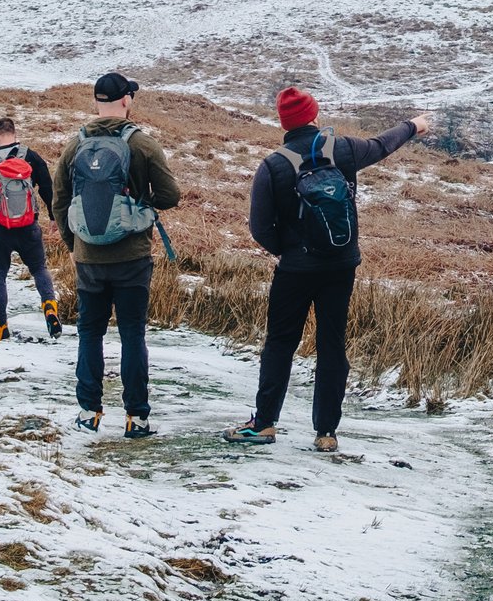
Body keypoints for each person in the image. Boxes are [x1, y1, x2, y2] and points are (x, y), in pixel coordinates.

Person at [229, 87, 432, 452]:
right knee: (331, 345)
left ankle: (264, 424)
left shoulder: (273, 165)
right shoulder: (342, 150)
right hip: (341, 266)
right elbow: (383, 144)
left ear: (284, 123)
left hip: (294, 269)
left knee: (280, 343)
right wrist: (412, 125)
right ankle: (326, 433)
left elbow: (260, 228)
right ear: (314, 116)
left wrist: (290, 251)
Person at [52, 72, 182, 439]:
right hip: (132, 258)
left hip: (88, 259)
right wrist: (141, 208)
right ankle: (136, 418)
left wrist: (74, 243)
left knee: (90, 334)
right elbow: (171, 195)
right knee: (132, 336)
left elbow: (59, 199)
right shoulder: (142, 144)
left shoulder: (74, 145)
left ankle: (88, 412)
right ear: (126, 101)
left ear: (96, 103)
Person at [0, 115, 61, 341]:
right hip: (29, 226)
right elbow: (47, 186)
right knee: (38, 268)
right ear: (15, 134)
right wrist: (54, 217)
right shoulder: (31, 156)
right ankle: (49, 306)